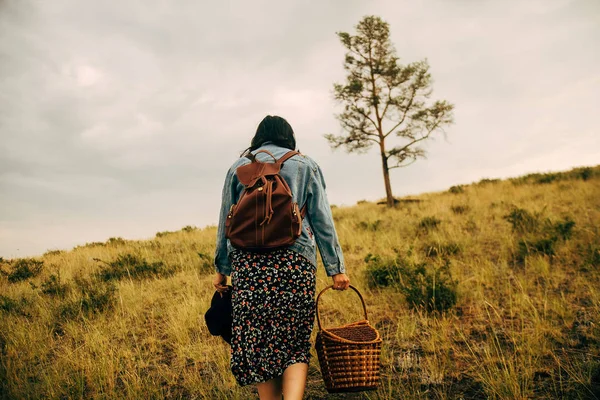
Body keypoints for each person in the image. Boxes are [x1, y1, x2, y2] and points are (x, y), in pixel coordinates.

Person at [213, 115, 350, 400]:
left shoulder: (239, 167)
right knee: (295, 342)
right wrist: (335, 269)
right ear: (289, 137)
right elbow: (322, 220)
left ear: (258, 137)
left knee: (259, 342)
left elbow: (225, 220)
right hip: (295, 263)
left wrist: (222, 269)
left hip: (249, 268)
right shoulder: (305, 164)